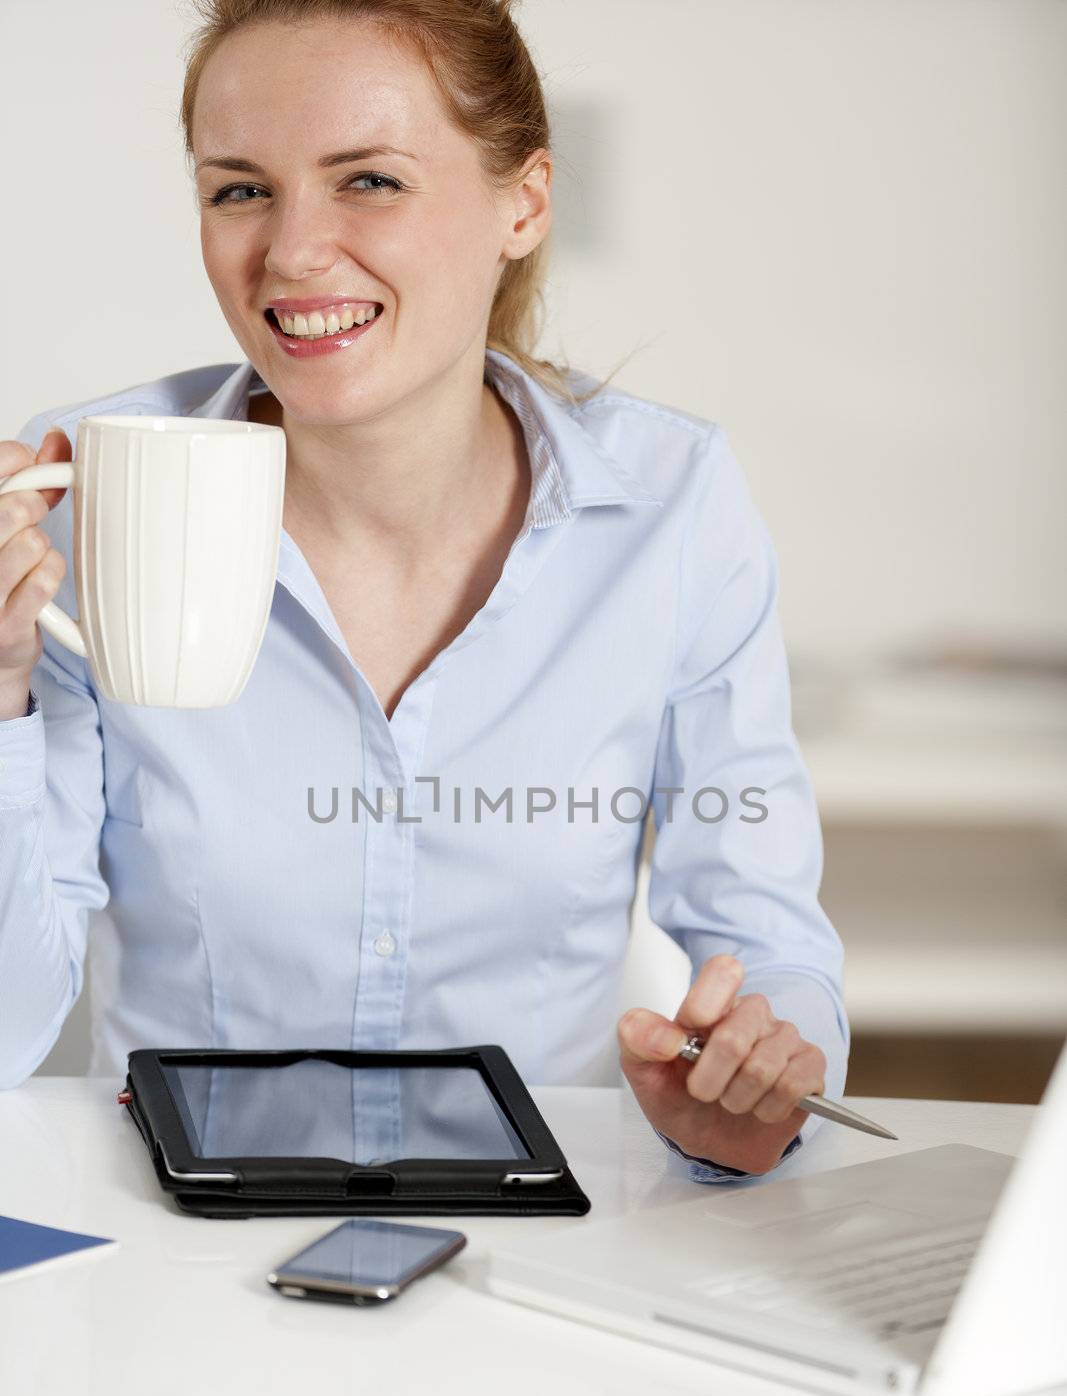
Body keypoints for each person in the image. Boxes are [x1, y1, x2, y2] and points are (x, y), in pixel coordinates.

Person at [0, 0, 849, 1182]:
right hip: (175, 1255)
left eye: (369, 181)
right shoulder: (89, 496)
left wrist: (759, 1080)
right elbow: (6, 1032)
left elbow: (766, 936)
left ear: (525, 202)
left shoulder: (671, 505)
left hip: (541, 1252)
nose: (291, 253)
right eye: (239, 189)